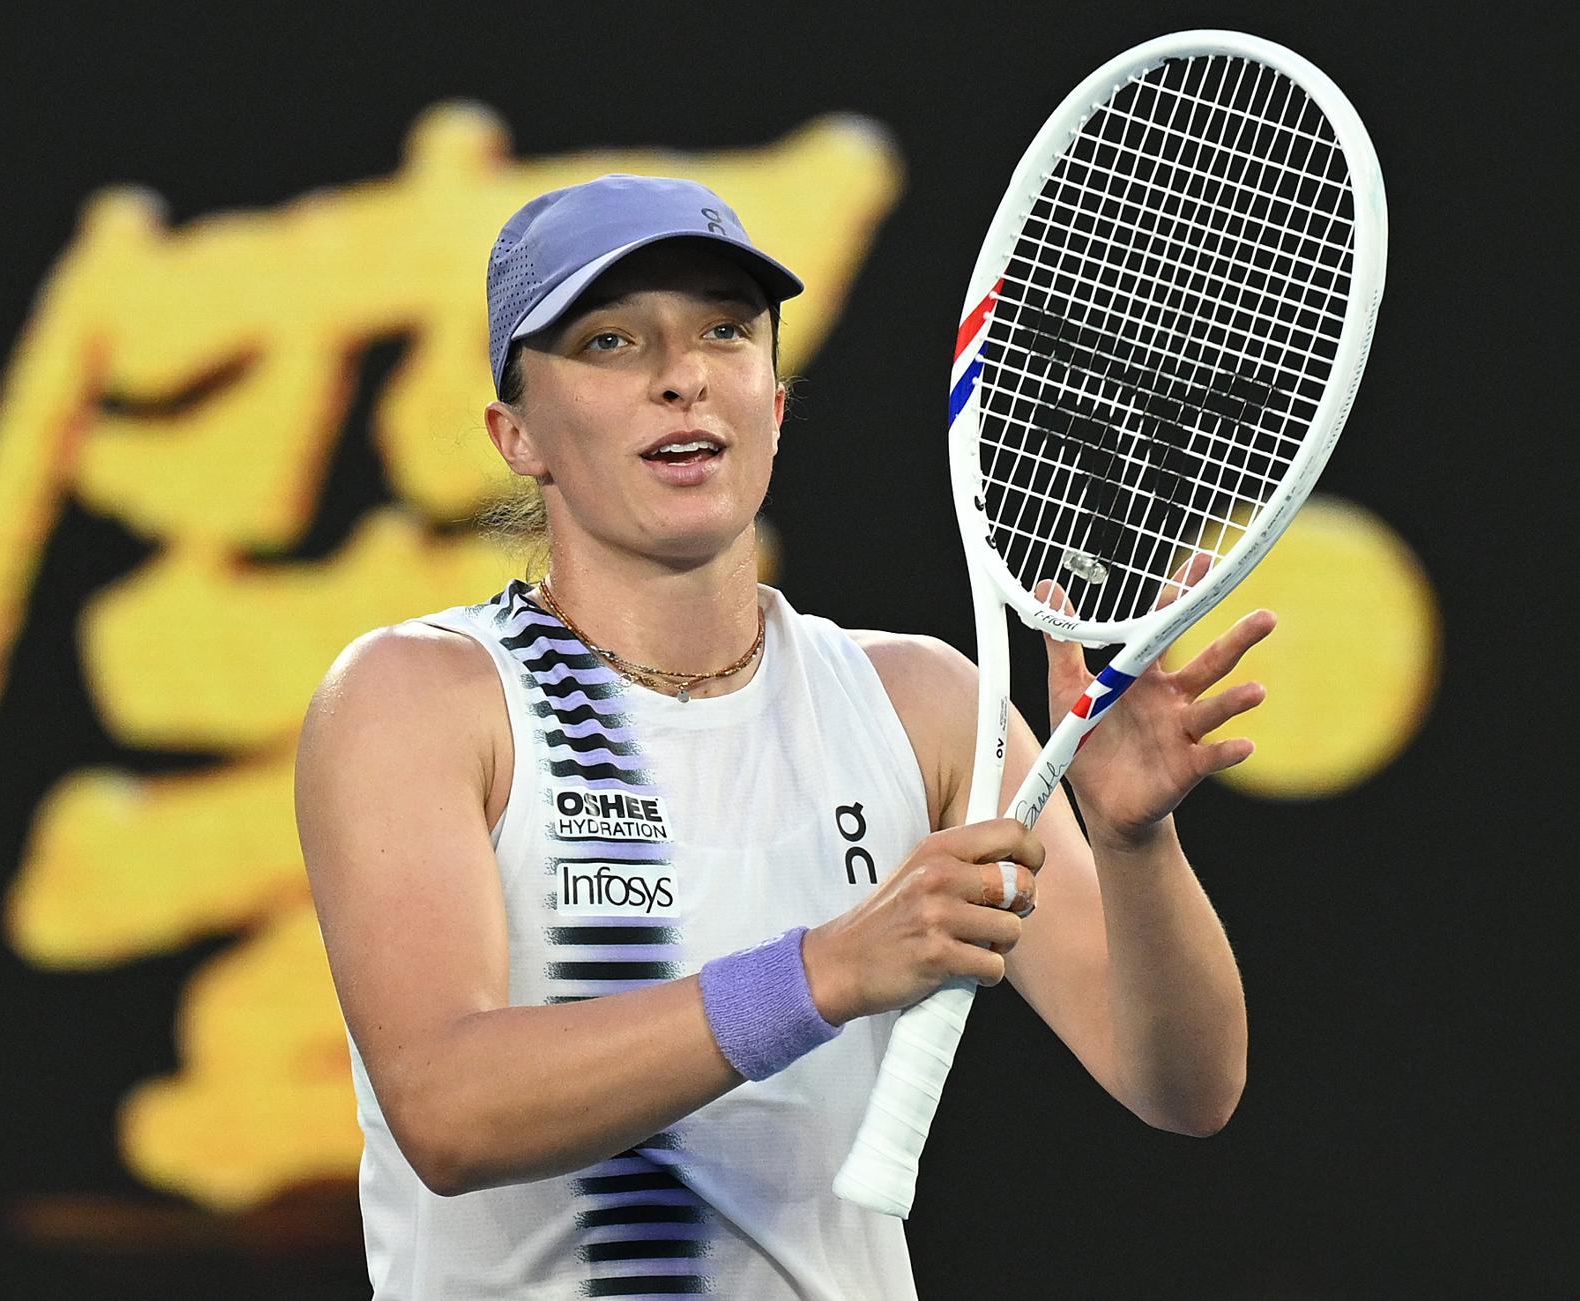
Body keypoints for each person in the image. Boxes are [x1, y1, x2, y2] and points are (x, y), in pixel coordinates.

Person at [296, 174, 1270, 1299]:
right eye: (611, 341)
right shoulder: (419, 696)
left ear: (774, 401)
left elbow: (1186, 1086)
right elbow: (448, 1108)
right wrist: (826, 971)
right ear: (517, 435)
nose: (684, 375)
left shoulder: (922, 703)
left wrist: (1137, 844)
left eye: (725, 330)